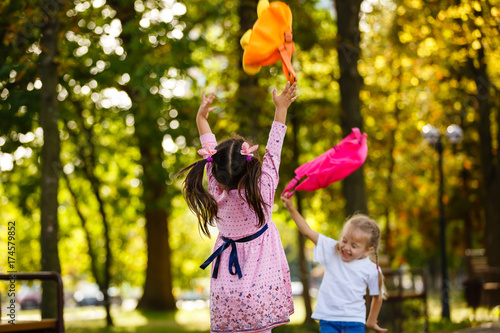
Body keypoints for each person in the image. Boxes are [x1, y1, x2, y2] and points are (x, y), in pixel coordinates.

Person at [179, 82, 298, 333]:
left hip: (227, 289)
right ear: (250, 163)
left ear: (215, 169)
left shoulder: (215, 189)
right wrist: (281, 108)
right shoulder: (262, 192)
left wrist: (202, 116)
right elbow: (274, 151)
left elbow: (208, 150)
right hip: (261, 286)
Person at [281, 194, 387, 333]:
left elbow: (377, 296)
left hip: (355, 321)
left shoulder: (371, 269)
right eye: (344, 240)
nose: (346, 247)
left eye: (354, 246)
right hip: (328, 319)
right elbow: (307, 232)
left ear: (367, 250)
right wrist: (291, 207)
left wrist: (372, 321)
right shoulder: (332, 250)